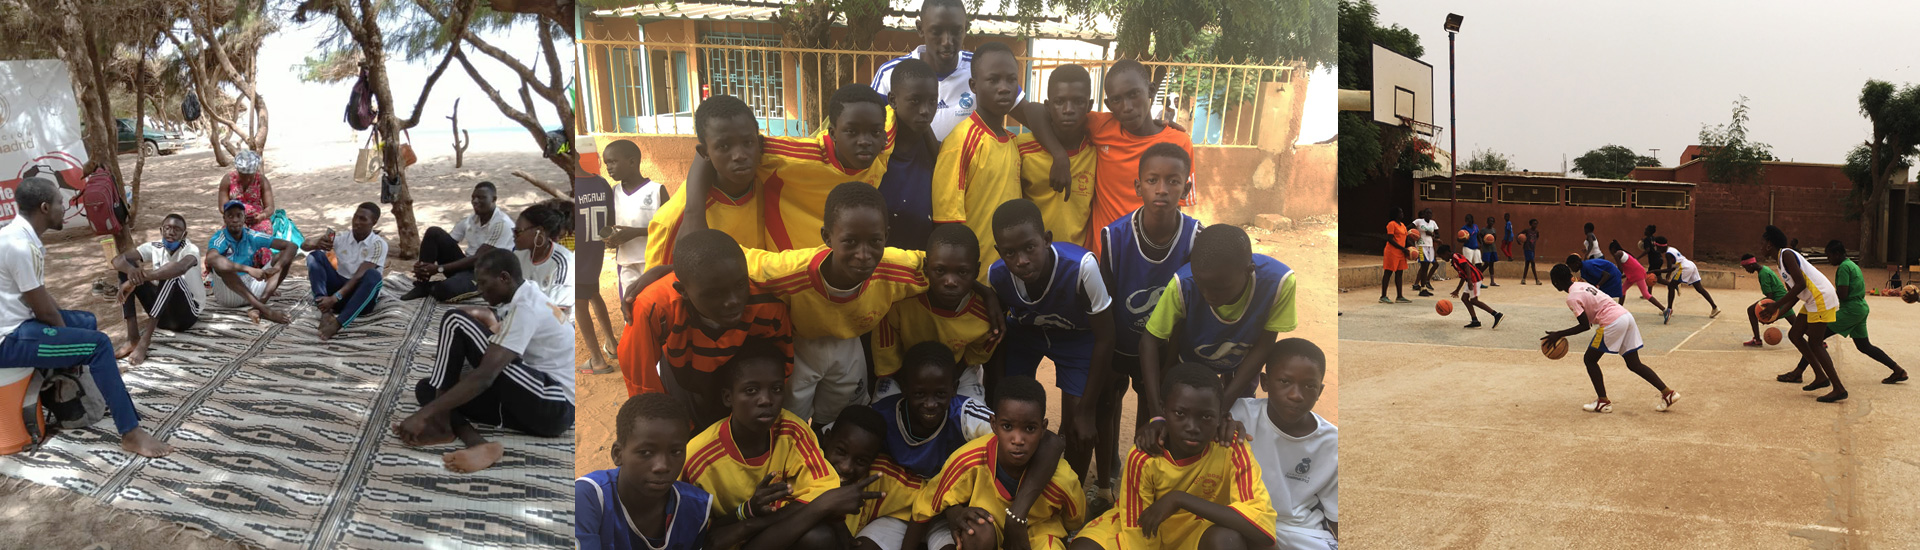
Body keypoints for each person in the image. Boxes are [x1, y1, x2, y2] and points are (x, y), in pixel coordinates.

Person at [687, 180, 941, 423]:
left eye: (874, 241)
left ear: (886, 236)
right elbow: (735, 258)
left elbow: (947, 266)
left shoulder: (898, 268)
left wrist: (981, 291)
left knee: (841, 416)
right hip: (800, 346)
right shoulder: (788, 273)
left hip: (849, 344)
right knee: (790, 417)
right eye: (850, 241)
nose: (863, 255)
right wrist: (669, 268)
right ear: (827, 237)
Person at [0, 177, 172, 457]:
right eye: (59, 203)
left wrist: (67, 332)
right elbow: (43, 311)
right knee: (98, 344)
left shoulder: (16, 236)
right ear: (44, 207)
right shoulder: (20, 246)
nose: (64, 207)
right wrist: (69, 346)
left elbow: (39, 296)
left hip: (18, 322)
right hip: (9, 339)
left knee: (86, 322)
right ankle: (130, 432)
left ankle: (82, 394)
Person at [682, 340, 879, 550]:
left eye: (776, 389)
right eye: (751, 390)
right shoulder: (697, 457)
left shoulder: (793, 431)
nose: (766, 400)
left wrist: (748, 525)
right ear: (728, 397)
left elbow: (822, 492)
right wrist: (823, 504)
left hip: (766, 532)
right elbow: (704, 536)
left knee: (819, 536)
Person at [394, 248, 575, 472]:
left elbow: (485, 377)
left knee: (455, 322)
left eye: (482, 283)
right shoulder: (523, 297)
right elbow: (489, 318)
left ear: (504, 278)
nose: (479, 290)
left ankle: (440, 423)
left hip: (555, 403)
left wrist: (424, 414)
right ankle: (479, 445)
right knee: (429, 389)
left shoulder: (527, 308)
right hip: (533, 406)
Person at [1095, 141, 1202, 514]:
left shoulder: (1194, 238)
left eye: (1173, 181)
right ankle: (1106, 478)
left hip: (1162, 348)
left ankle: (1140, 480)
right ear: (1137, 185)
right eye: (1153, 180)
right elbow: (1105, 300)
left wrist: (1173, 357)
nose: (1162, 189)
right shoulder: (1114, 236)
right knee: (1106, 405)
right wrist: (1106, 351)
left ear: (1186, 189)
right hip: (1119, 342)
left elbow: (1191, 304)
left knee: (1153, 409)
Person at [1070, 364, 1278, 550]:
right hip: (1144, 528)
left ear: (1221, 415)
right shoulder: (1144, 455)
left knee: (1226, 540)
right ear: (1163, 410)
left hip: (1199, 528)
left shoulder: (1230, 446)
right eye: (1180, 413)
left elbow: (1262, 526)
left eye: (1206, 416)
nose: (1192, 427)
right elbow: (1135, 533)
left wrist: (1180, 499)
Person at [988, 199, 1115, 482]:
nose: (1021, 260)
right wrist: (998, 391)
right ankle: (1014, 482)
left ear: (1046, 240)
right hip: (1027, 337)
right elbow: (998, 338)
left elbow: (1106, 337)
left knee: (1078, 427)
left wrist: (1087, 409)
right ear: (999, 252)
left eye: (1029, 248)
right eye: (1010, 252)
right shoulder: (997, 275)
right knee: (1010, 412)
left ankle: (1069, 494)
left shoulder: (1082, 267)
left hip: (1077, 339)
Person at [620, 229, 793, 426]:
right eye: (715, 294)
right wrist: (667, 424)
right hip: (685, 373)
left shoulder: (768, 306)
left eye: (739, 285)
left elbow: (781, 367)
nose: (733, 302)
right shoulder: (653, 309)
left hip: (736, 372)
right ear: (683, 291)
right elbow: (642, 385)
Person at [915, 376, 1084, 550]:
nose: (1018, 440)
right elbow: (925, 504)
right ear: (994, 425)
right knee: (975, 530)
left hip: (1038, 535)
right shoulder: (969, 459)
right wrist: (954, 512)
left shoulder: (1062, 479)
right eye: (1008, 427)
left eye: (1030, 428)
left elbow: (1074, 519)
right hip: (990, 529)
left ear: (1044, 428)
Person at [1138, 225, 1294, 407]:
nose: (1208, 295)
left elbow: (1265, 344)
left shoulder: (1279, 283)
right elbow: (1148, 340)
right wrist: (1155, 408)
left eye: (1219, 289)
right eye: (1200, 286)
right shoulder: (1183, 284)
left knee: (1238, 413)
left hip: (1243, 363)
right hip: (1192, 360)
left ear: (1249, 270)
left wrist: (1225, 402)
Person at [1076, 59, 1197, 255]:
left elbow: (1178, 210)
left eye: (1134, 95)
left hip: (1149, 259)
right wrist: (1058, 154)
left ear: (1150, 91)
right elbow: (1045, 115)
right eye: (1117, 100)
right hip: (1104, 257)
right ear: (1109, 105)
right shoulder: (1100, 127)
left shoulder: (1179, 143)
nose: (1127, 107)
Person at [643, 96, 770, 280]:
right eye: (724, 146)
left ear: (759, 143)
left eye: (748, 143)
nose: (739, 155)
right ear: (705, 153)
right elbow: (662, 293)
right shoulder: (672, 222)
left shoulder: (775, 184)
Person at [869, 224, 999, 403]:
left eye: (962, 272)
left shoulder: (984, 315)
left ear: (976, 271)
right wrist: (907, 383)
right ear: (926, 267)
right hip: (902, 373)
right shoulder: (902, 302)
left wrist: (949, 381)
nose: (950, 282)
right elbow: (887, 350)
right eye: (940, 271)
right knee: (885, 410)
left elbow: (975, 355)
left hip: (957, 373)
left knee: (975, 418)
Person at [1230, 338, 1338, 549]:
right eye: (1285, 382)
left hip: (1300, 532)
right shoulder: (1239, 415)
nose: (1296, 395)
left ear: (1320, 391)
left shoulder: (1331, 442)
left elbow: (1336, 515)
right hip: (1242, 523)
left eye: (1309, 386)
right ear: (1265, 382)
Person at [931, 41, 1026, 277]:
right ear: (973, 85)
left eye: (1011, 80)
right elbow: (947, 224)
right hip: (976, 279)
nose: (1004, 88)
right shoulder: (961, 141)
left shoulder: (1012, 142)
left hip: (1010, 274)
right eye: (993, 80)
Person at [575, 393, 713, 550]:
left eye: (675, 452)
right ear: (618, 454)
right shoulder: (587, 497)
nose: (662, 466)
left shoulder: (695, 508)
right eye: (646, 452)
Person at [1542, 264, 1681, 414]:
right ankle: (1668, 393)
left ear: (1556, 283)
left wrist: (1559, 334)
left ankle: (1603, 401)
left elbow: (1584, 326)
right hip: (1625, 316)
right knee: (1634, 363)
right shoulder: (1582, 284)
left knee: (1590, 359)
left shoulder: (1572, 297)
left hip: (1612, 322)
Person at [1776, 240, 1907, 385]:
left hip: (1850, 310)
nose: (1828, 259)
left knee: (1815, 340)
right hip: (1860, 308)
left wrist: (1826, 295)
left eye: (1830, 256)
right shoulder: (1852, 265)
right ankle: (1898, 370)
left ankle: (1799, 373)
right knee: (1864, 345)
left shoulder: (1844, 268)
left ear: (1837, 254)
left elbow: (1843, 294)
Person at [871, 0, 1004, 140]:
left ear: (966, 28)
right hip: (911, 162)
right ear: (920, 28)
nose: (947, 41)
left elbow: (1024, 109)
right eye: (936, 31)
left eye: (956, 31)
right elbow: (869, 125)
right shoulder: (891, 73)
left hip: (970, 162)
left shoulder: (981, 68)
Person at [1758, 226, 1847, 402]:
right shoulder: (1780, 262)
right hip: (1812, 298)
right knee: (1795, 335)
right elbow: (1794, 294)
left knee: (1815, 343)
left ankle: (1838, 388)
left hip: (1820, 297)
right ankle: (1820, 377)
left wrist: (1775, 304)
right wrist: (1776, 313)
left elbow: (1800, 285)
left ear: (1769, 244)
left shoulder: (1787, 255)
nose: (1760, 246)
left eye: (1762, 242)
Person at [820, 406, 927, 550]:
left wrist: (954, 512)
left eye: (860, 461)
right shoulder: (802, 465)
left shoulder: (880, 474)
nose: (846, 467)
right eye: (841, 451)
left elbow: (930, 497)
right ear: (827, 439)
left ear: (872, 460)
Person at [1016, 64, 1099, 247]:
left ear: (1089, 105)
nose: (1068, 109)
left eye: (1078, 101)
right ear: (1048, 105)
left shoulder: (1097, 149)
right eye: (1059, 101)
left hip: (1078, 261)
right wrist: (1059, 155)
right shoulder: (1022, 148)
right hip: (1032, 260)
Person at [110, 213, 204, 365]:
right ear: (161, 231)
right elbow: (117, 260)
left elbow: (180, 268)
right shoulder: (154, 247)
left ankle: (144, 342)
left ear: (184, 234)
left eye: (177, 229)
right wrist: (131, 273)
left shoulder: (191, 250)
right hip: (162, 315)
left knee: (170, 274)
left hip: (186, 316)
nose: (171, 232)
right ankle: (133, 337)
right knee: (127, 269)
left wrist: (135, 281)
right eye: (167, 228)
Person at [404, 181, 515, 302]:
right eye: (473, 197)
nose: (475, 201)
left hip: (487, 273)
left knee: (446, 290)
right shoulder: (471, 219)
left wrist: (439, 268)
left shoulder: (501, 224)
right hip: (468, 267)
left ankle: (432, 287)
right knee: (434, 232)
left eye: (481, 197)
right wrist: (423, 266)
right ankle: (422, 283)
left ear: (494, 199)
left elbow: (479, 258)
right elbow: (447, 243)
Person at [878, 59, 942, 251]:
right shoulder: (875, 150)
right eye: (915, 101)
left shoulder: (936, 153)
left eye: (932, 101)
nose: (925, 111)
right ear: (892, 100)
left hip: (919, 266)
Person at [300, 202, 388, 341]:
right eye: (355, 217)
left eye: (363, 219)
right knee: (315, 257)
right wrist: (317, 243)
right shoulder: (342, 238)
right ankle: (325, 311)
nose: (357, 222)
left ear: (374, 222)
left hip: (360, 299)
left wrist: (335, 298)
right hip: (338, 291)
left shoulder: (378, 244)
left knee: (373, 276)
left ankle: (337, 323)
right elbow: (304, 245)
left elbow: (359, 276)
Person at [206, 199, 295, 324]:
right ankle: (264, 309)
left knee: (283, 257)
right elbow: (211, 259)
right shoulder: (220, 238)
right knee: (222, 266)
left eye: (239, 215)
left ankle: (257, 308)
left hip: (251, 289)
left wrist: (277, 268)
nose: (235, 220)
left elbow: (291, 246)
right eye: (230, 216)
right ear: (224, 219)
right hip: (228, 295)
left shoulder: (252, 235)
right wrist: (248, 269)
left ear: (244, 219)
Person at [602, 140, 668, 305]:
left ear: (632, 162)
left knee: (656, 305)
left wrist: (636, 232)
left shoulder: (656, 190)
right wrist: (610, 239)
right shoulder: (613, 192)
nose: (608, 167)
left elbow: (668, 227)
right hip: (626, 262)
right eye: (606, 163)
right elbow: (611, 225)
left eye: (613, 161)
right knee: (630, 307)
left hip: (654, 261)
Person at [574, 166, 619, 375]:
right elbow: (611, 220)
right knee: (593, 293)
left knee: (579, 304)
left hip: (575, 254)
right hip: (595, 251)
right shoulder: (600, 182)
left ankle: (597, 360)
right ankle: (612, 344)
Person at [513, 201, 576, 315]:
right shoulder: (519, 256)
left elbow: (559, 314)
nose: (514, 235)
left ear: (539, 231)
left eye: (518, 231)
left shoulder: (563, 263)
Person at [1650, 236, 1720, 318]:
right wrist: (1668, 275)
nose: (1656, 249)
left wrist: (1655, 271)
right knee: (1699, 288)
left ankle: (1669, 310)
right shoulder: (1672, 249)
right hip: (1691, 265)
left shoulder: (1668, 254)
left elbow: (1669, 269)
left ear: (1660, 246)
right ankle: (1715, 307)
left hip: (1684, 268)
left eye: (1656, 247)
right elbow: (1672, 267)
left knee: (1671, 286)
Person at [1443, 243, 1503, 329]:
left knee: (1474, 300)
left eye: (1442, 256)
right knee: (1464, 298)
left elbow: (1467, 266)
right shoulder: (1453, 261)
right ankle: (1475, 320)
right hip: (1471, 279)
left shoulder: (1456, 256)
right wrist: (1457, 290)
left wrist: (1470, 281)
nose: (1442, 258)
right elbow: (1463, 276)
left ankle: (1496, 314)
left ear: (1446, 253)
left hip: (1475, 278)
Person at [1740, 253, 1793, 347]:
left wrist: (1766, 314)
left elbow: (1770, 297)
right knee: (1796, 323)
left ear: (1751, 265)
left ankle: (1819, 341)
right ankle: (1757, 339)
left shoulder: (1763, 274)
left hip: (1779, 299)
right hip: (1780, 297)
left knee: (1796, 323)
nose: (1746, 270)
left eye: (1746, 267)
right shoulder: (1765, 269)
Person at [1607, 240, 1668, 321]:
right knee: (1622, 291)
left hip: (1636, 273)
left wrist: (1613, 276)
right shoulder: (1622, 253)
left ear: (1613, 249)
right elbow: (1629, 267)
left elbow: (1620, 270)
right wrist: (1621, 276)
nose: (1611, 253)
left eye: (1610, 251)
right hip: (1634, 273)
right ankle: (1620, 311)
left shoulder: (1617, 254)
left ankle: (1665, 310)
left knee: (1646, 294)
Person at [218, 150, 275, 235]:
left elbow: (270, 207)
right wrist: (236, 217)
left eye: (250, 175)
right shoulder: (227, 180)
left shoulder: (262, 181)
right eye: (243, 175)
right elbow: (223, 207)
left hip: (257, 220)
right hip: (234, 219)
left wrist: (261, 216)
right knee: (230, 239)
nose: (247, 179)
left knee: (261, 239)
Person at [1381, 208, 1410, 303]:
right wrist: (1402, 248)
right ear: (1395, 214)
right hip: (1392, 251)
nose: (1402, 213)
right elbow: (1390, 239)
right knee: (1388, 272)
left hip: (1401, 253)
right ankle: (1383, 296)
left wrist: (1411, 248)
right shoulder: (1391, 224)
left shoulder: (1403, 225)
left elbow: (1405, 239)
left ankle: (1399, 296)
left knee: (1399, 273)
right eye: (1400, 212)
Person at [1412, 209, 1440, 295]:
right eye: (1427, 213)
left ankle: (1423, 286)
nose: (1429, 215)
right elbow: (1408, 228)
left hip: (1430, 246)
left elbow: (1438, 234)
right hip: (1421, 246)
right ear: (1424, 214)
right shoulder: (1418, 221)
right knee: (1424, 266)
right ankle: (1422, 288)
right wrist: (1414, 236)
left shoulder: (1433, 223)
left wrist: (1432, 235)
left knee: (1426, 266)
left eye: (1430, 213)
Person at [1519, 218, 1541, 285]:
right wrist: (1519, 241)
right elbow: (1519, 235)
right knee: (1532, 263)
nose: (1535, 225)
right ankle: (1537, 280)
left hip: (1532, 249)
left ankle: (1523, 279)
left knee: (1527, 264)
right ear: (1530, 224)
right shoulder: (1527, 230)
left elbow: (1537, 237)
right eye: (1534, 224)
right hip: (1527, 249)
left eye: (1536, 224)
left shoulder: (1536, 232)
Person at [1481, 216, 1500, 287]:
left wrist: (1495, 236)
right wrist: (1483, 242)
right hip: (1486, 249)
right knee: (1486, 263)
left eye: (1492, 221)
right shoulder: (1484, 230)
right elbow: (1479, 236)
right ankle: (1478, 276)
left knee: (1492, 264)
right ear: (1487, 222)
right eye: (1489, 221)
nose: (1490, 222)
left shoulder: (1494, 230)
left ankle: (1492, 281)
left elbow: (1494, 239)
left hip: (1492, 248)